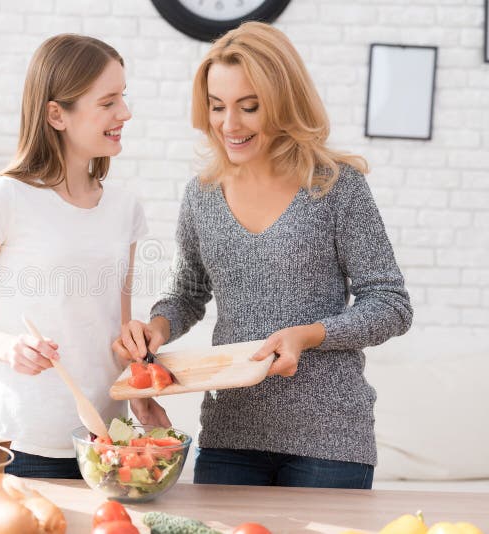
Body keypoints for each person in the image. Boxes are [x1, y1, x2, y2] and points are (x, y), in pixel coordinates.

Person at [112, 22, 413, 489]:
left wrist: (308, 335)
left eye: (249, 107)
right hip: (230, 438)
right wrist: (156, 326)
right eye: (217, 107)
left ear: (284, 103)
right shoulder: (202, 196)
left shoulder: (336, 188)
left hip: (329, 443)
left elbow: (391, 304)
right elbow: (188, 293)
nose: (230, 125)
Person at [0, 34, 151, 479]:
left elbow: (117, 335)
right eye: (108, 102)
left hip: (109, 444)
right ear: (56, 114)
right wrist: (9, 347)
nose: (124, 113)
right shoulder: (2, 199)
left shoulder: (125, 208)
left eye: (123, 98)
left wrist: (144, 391)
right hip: (26, 447)